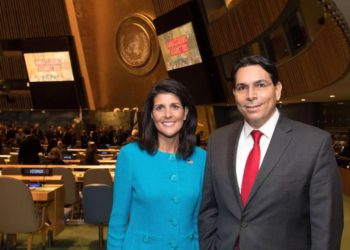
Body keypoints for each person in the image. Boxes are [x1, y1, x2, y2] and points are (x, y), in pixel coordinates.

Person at [199, 55, 343, 250]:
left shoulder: (314, 143)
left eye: (260, 85)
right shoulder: (218, 140)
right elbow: (209, 207)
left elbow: (326, 224)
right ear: (234, 94)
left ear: (277, 90)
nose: (251, 95)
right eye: (242, 87)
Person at [107, 78, 206, 249]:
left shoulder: (201, 158)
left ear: (185, 112)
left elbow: (198, 218)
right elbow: (118, 221)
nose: (168, 114)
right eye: (160, 107)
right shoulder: (131, 155)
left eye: (175, 106)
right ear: (152, 115)